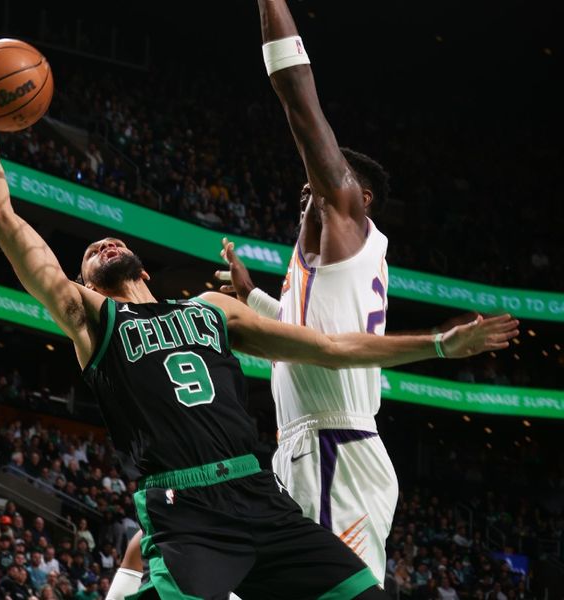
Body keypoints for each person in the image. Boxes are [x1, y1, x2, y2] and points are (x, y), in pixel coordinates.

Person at [0, 64, 516, 599]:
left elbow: (329, 348)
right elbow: (2, 218)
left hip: (258, 494)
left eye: (112, 241)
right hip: (187, 505)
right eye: (89, 254)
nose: (103, 244)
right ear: (83, 284)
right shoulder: (93, 318)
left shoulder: (212, 309)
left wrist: (440, 344)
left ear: (145, 269)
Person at [210, 0, 456, 586]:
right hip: (316, 445)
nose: (310, 184)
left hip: (331, 448)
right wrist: (257, 301)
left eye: (324, 177)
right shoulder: (323, 262)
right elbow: (305, 341)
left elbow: (299, 100)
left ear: (359, 197)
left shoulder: (349, 223)